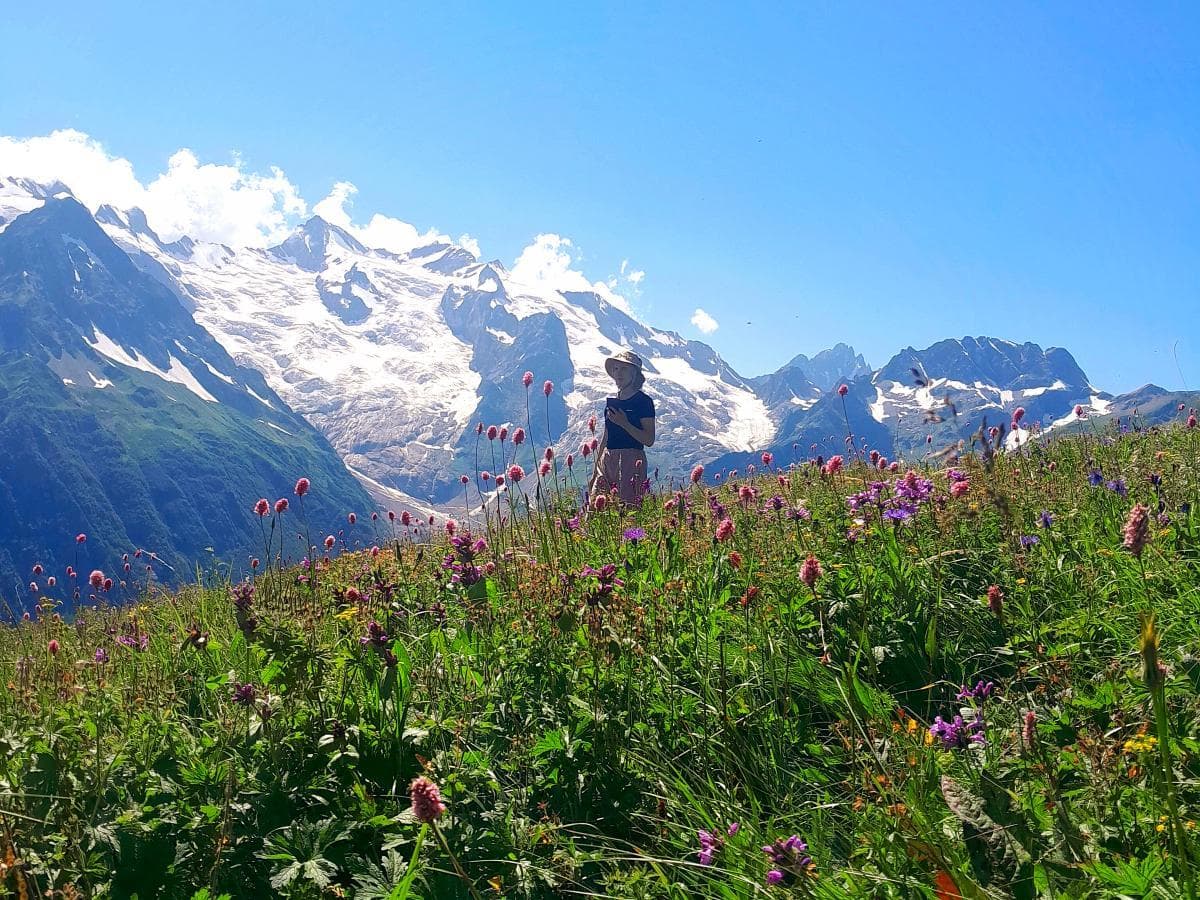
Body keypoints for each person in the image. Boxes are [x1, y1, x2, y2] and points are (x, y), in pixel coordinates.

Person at [588, 349, 656, 505]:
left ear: (634, 374)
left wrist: (624, 423)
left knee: (627, 507)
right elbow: (606, 436)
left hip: (631, 460)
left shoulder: (643, 402)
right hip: (607, 458)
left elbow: (649, 439)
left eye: (624, 368)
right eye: (616, 369)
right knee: (596, 508)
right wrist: (594, 472)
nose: (619, 373)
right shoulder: (612, 403)